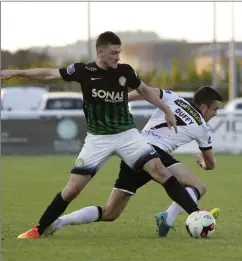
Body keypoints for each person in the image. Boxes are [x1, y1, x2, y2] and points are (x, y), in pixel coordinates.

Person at [0, 31, 201, 239]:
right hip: (97, 139)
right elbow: (49, 74)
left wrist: (166, 110)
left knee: (160, 171)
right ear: (100, 51)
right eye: (113, 53)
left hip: (127, 135)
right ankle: (40, 229)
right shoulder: (83, 70)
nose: (117, 57)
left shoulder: (125, 71)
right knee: (72, 189)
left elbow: (144, 90)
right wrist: (17, 73)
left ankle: (196, 214)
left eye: (119, 53)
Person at [42, 86, 222, 238]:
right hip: (155, 154)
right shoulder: (202, 128)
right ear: (204, 107)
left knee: (109, 213)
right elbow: (211, 164)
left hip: (135, 151)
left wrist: (121, 101)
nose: (215, 114)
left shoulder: (173, 98)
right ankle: (170, 217)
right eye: (215, 109)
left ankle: (59, 222)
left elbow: (145, 90)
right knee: (199, 186)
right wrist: (203, 164)